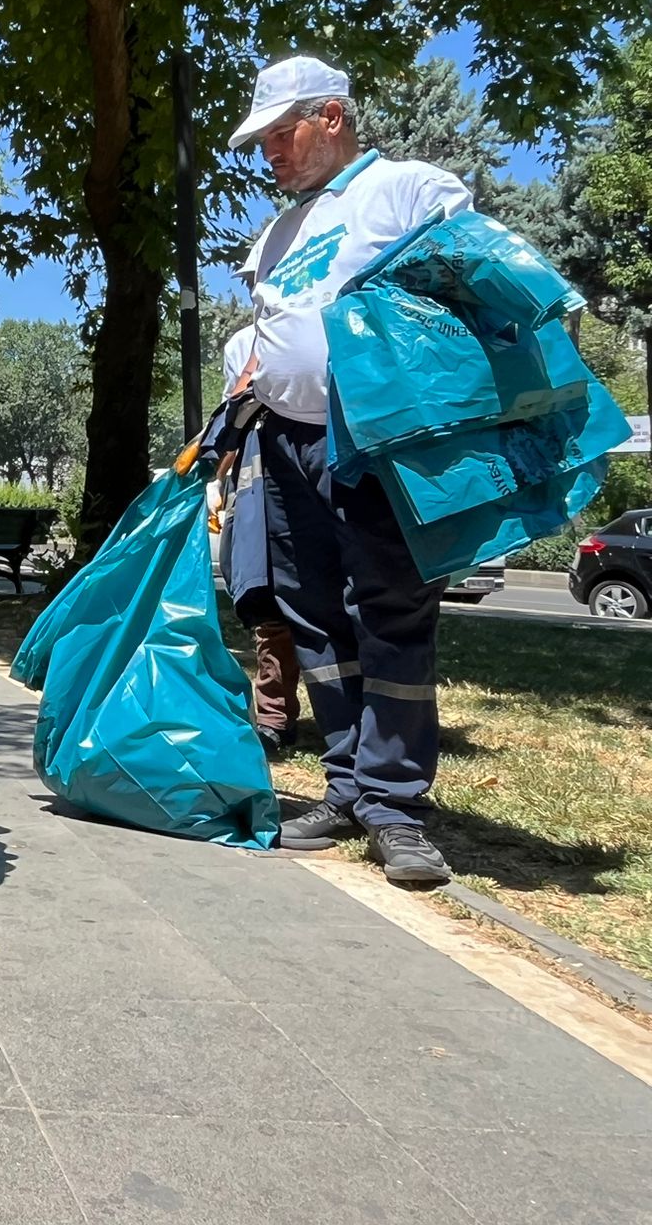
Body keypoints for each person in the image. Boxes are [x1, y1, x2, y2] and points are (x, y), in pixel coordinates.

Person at [229, 54, 470, 885]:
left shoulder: (405, 189)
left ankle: (396, 807)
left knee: (391, 612)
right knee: (315, 620)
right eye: (261, 142)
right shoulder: (279, 232)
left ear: (331, 116)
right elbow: (275, 325)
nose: (271, 154)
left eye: (282, 134)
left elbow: (461, 283)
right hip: (285, 440)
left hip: (371, 436)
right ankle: (344, 784)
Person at [218, 322, 302, 758]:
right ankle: (274, 717)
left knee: (318, 611)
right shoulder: (243, 345)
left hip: (308, 478)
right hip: (262, 488)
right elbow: (234, 414)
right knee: (270, 606)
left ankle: (348, 722)